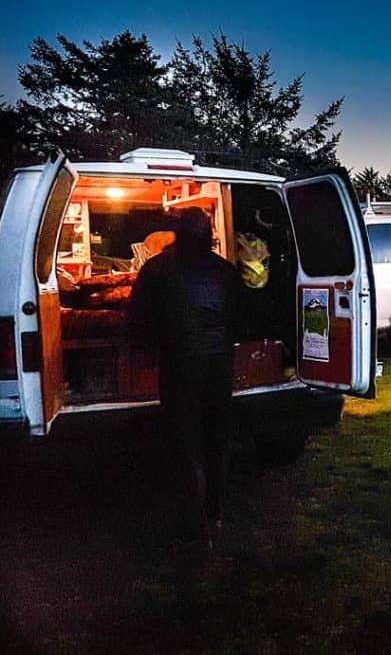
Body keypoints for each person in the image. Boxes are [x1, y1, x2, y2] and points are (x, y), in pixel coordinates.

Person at [129, 207, 241, 550]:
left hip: (181, 365)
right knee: (217, 438)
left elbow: (138, 318)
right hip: (219, 363)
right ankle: (215, 512)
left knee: (187, 440)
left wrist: (147, 350)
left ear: (177, 233)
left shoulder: (157, 268)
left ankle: (195, 526)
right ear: (209, 235)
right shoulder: (225, 271)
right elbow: (239, 318)